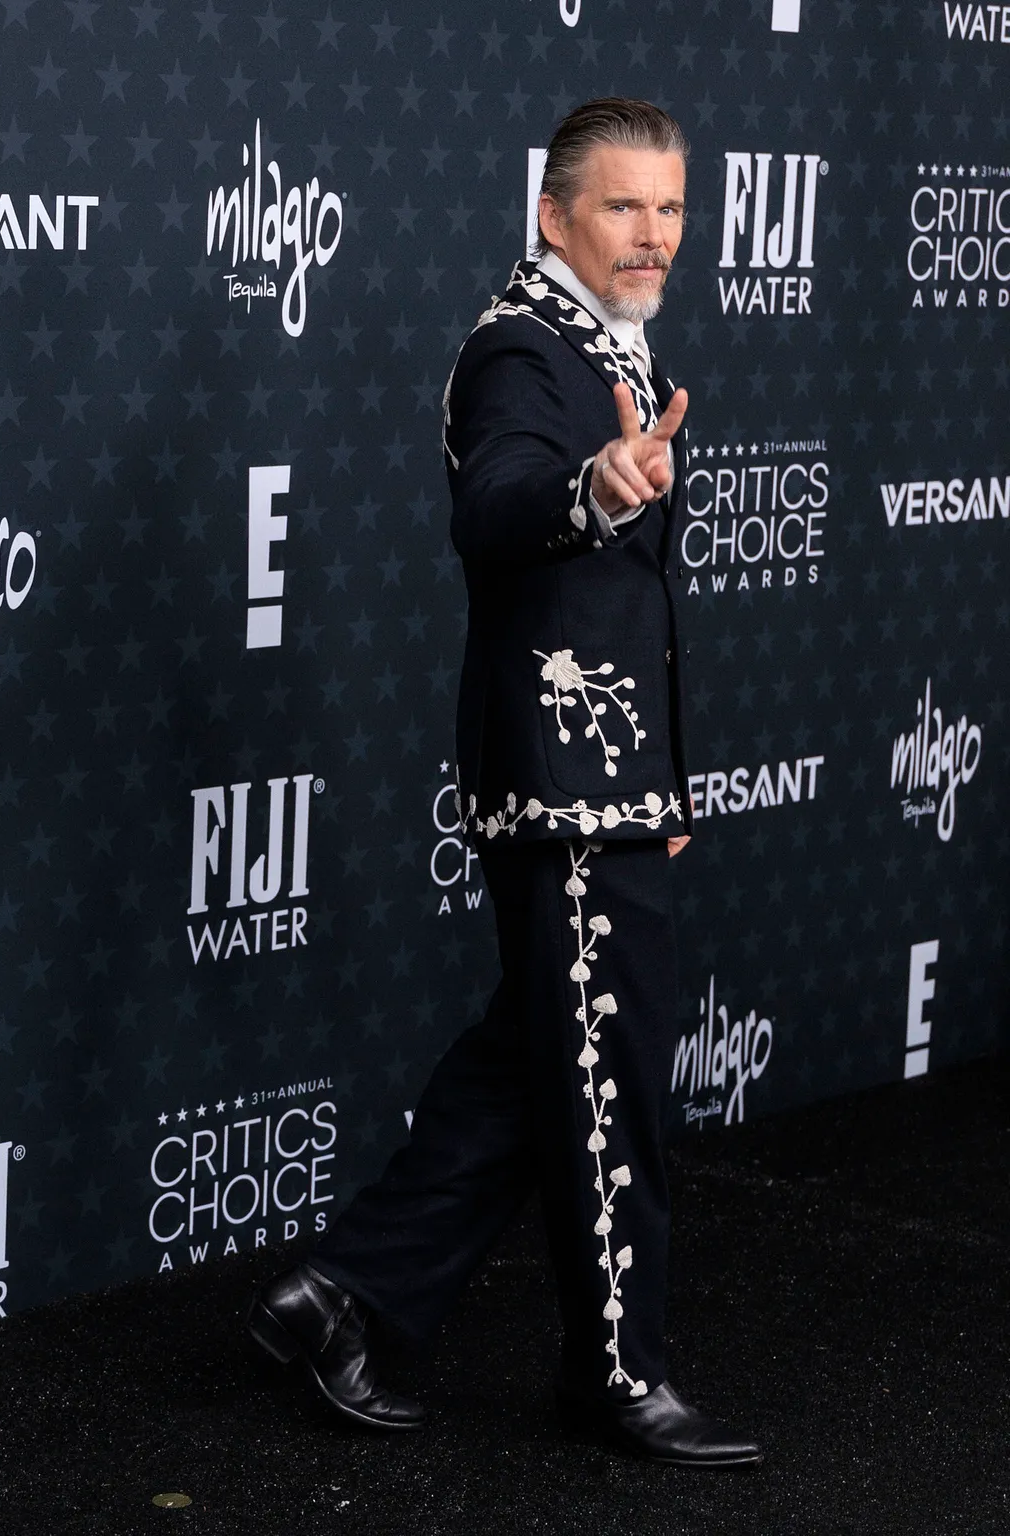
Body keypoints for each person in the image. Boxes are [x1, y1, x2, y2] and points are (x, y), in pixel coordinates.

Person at [247, 98, 762, 1469]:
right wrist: (596, 485)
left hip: (611, 778)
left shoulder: (609, 344)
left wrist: (663, 785)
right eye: (623, 206)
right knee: (607, 1081)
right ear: (552, 215)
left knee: (543, 1061)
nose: (655, 234)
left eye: (671, 207)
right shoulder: (519, 348)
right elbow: (494, 503)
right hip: (564, 783)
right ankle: (618, 1375)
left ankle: (342, 1294)